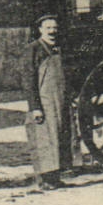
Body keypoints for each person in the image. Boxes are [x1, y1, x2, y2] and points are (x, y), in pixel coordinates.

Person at [25, 15, 70, 190]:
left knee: (57, 138)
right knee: (43, 140)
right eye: (48, 28)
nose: (52, 31)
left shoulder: (56, 49)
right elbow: (28, 81)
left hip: (57, 100)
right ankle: (44, 180)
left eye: (54, 28)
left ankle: (55, 178)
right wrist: (35, 107)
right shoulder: (33, 49)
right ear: (40, 30)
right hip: (43, 103)